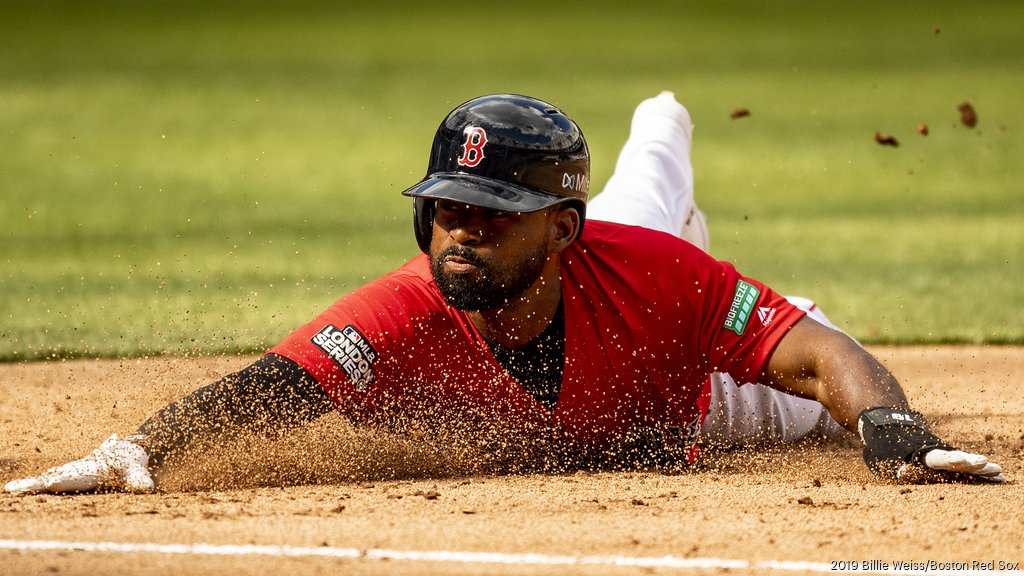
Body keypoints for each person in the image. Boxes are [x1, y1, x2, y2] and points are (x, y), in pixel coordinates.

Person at [4, 92, 1004, 495]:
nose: (462, 229)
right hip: (610, 272)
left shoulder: (649, 270)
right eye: (447, 207)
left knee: (655, 177)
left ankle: (664, 114)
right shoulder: (399, 309)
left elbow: (821, 359)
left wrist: (888, 423)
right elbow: (275, 386)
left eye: (491, 211)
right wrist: (134, 447)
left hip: (692, 373)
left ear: (559, 230)